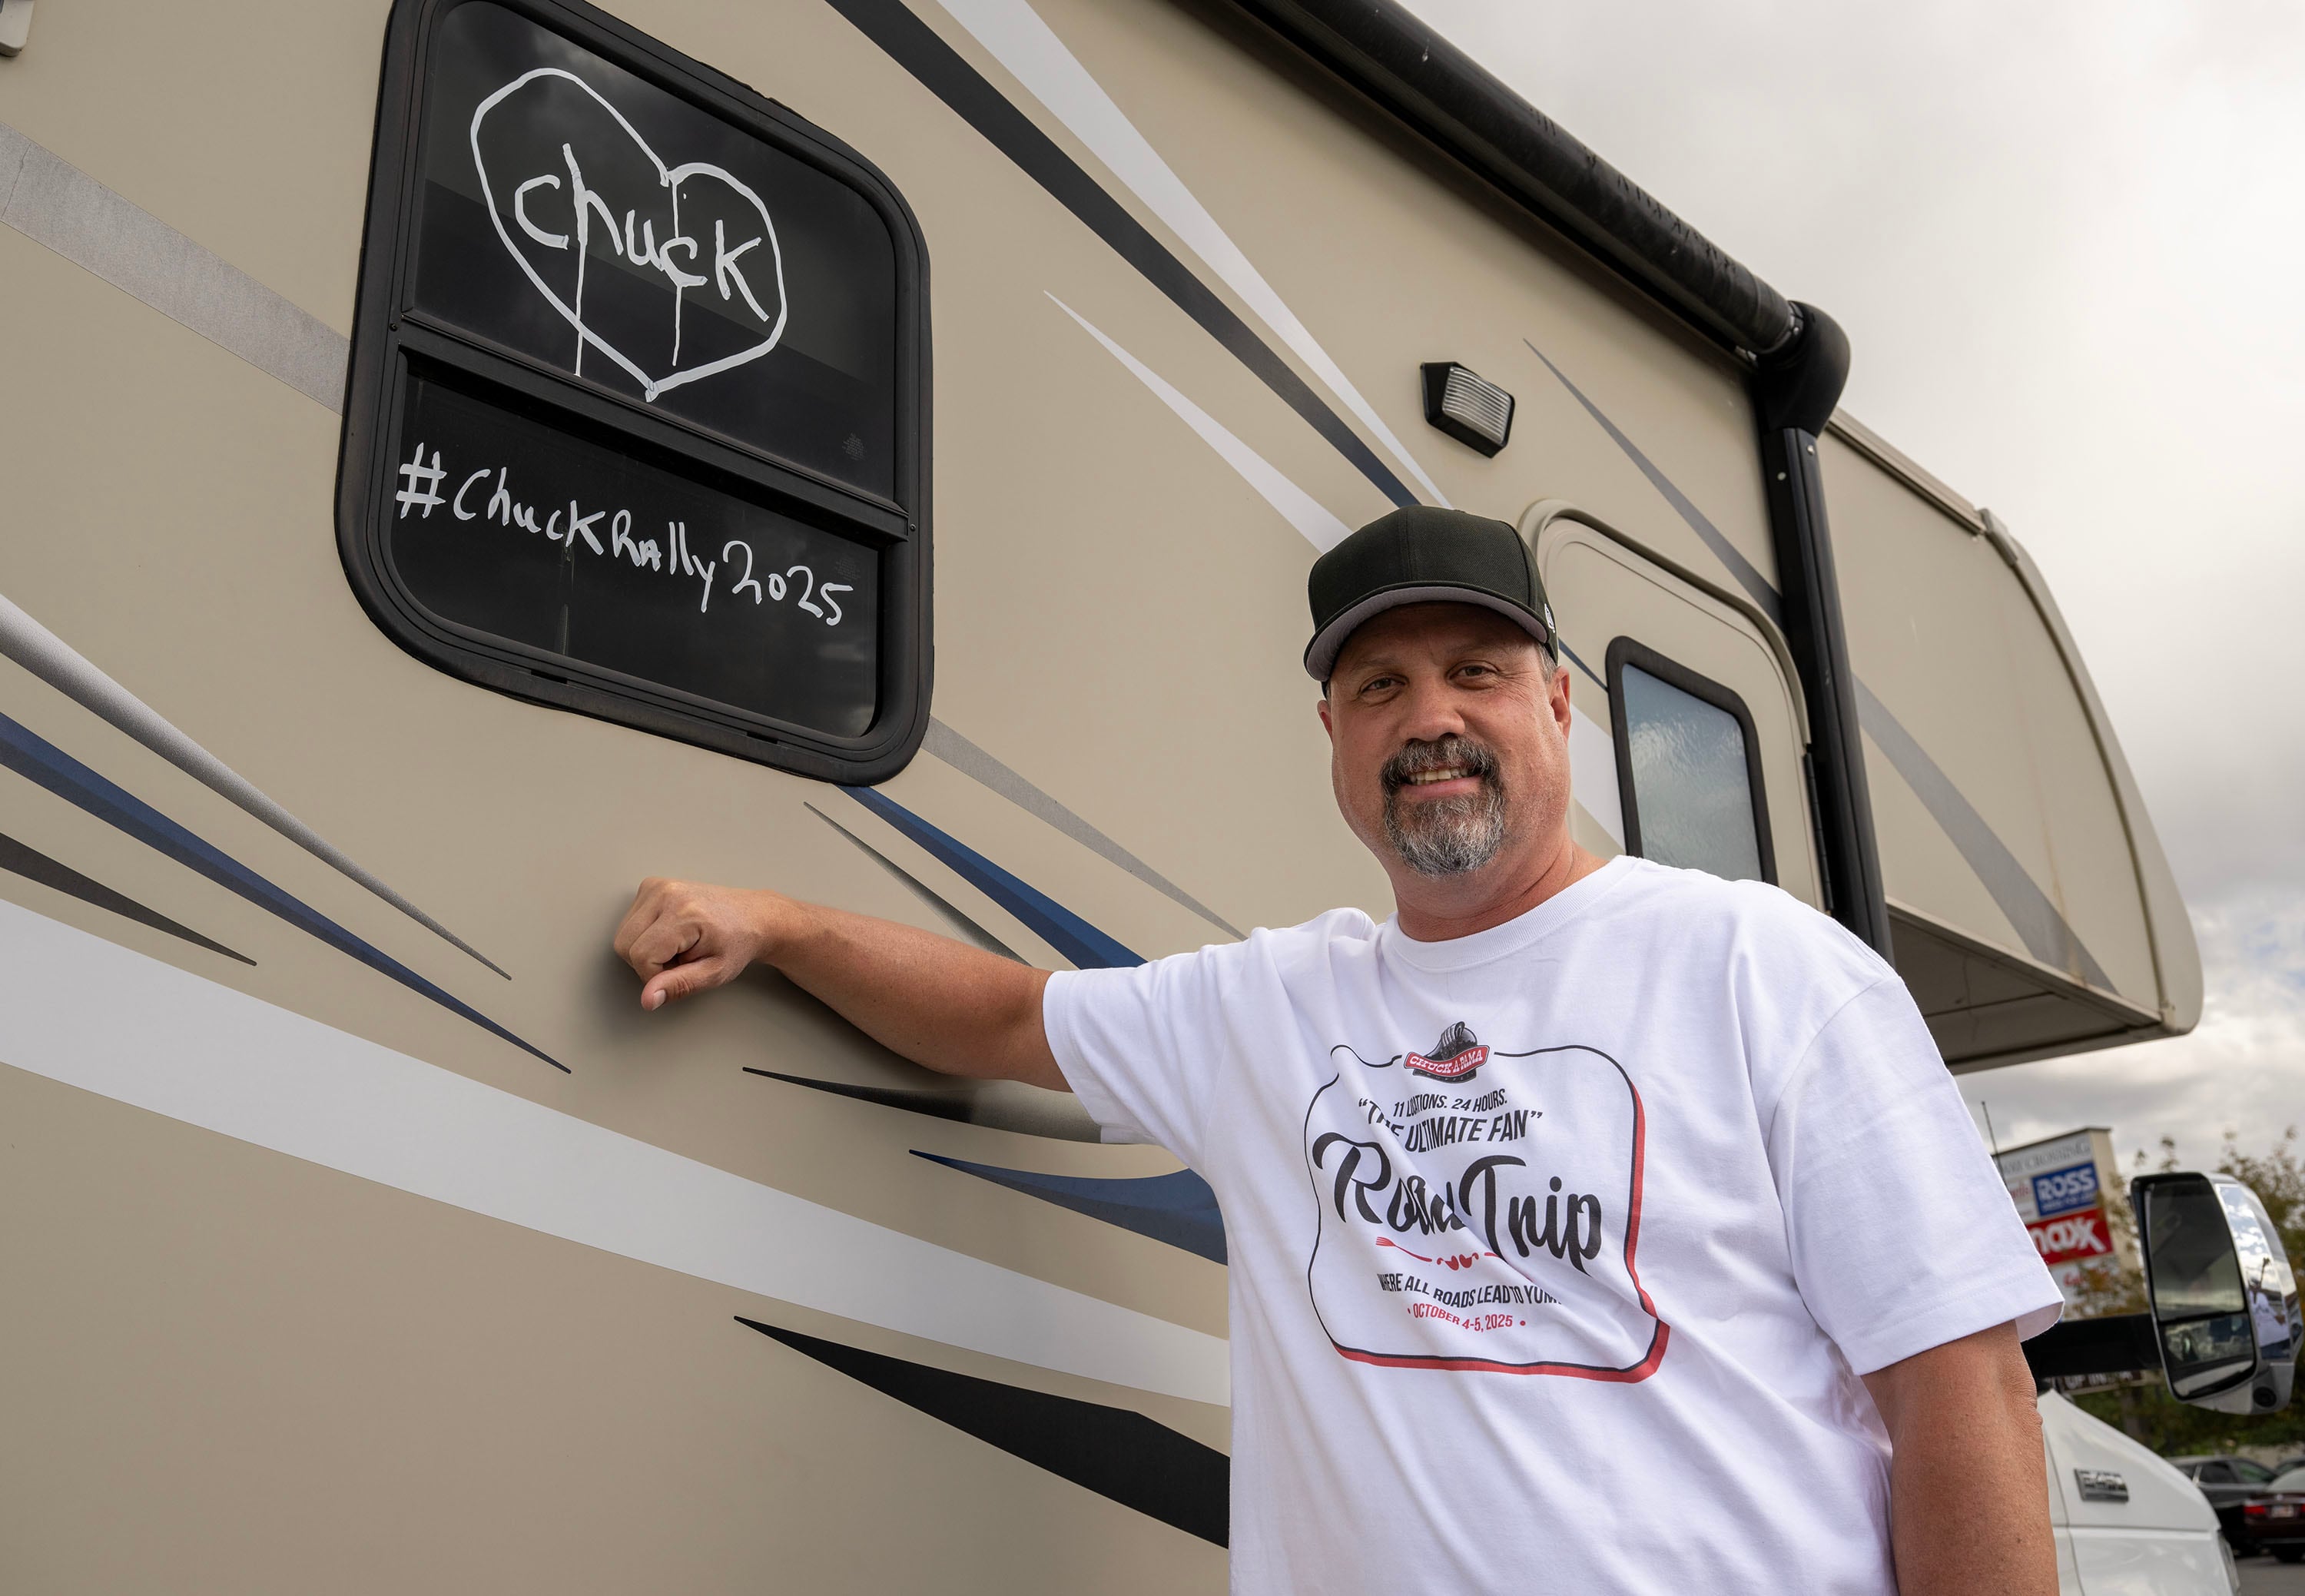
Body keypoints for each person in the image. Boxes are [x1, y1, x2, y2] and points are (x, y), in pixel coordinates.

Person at [614, 506, 2062, 1594]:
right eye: (1380, 689)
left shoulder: (1762, 967)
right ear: (1333, 734)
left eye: (1474, 672)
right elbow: (1002, 1014)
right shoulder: (1270, 1007)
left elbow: (1960, 1385)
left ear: (1556, 702)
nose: (1430, 718)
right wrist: (786, 923)